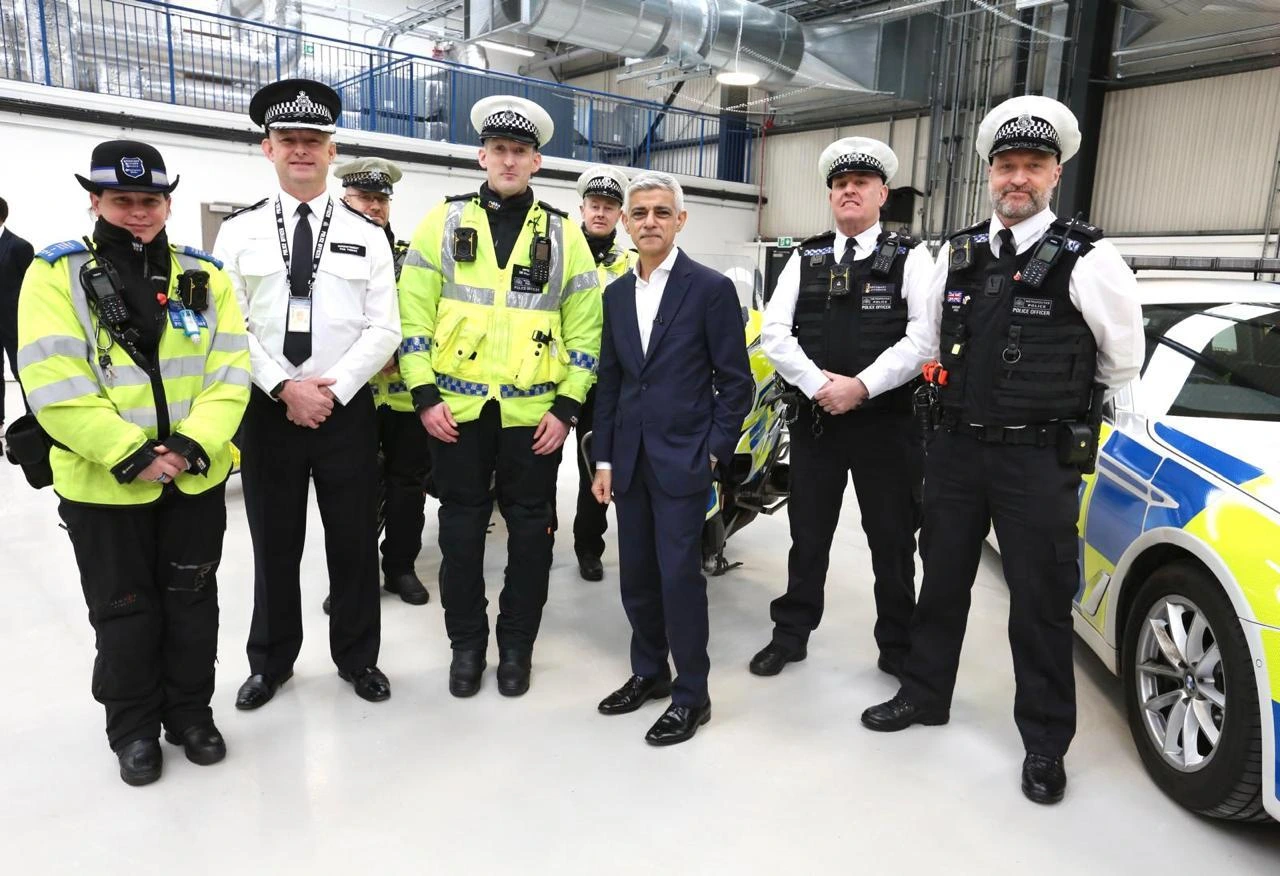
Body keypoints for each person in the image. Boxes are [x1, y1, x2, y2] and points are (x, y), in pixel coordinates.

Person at [860, 96, 1144, 805]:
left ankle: (1045, 743)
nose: (1019, 179)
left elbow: (1121, 364)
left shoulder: (1090, 258)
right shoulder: (951, 254)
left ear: (1055, 175)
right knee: (943, 581)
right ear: (990, 172)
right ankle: (925, 694)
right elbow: (924, 344)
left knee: (1041, 603)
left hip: (1037, 460)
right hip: (954, 451)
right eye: (1007, 166)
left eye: (1034, 167)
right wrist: (863, 385)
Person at [16, 140, 250, 785]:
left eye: (149, 200)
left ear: (167, 203)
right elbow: (53, 381)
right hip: (103, 483)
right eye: (122, 200)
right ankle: (134, 727)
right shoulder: (54, 274)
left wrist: (189, 446)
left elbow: (230, 373)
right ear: (95, 201)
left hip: (194, 475)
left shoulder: (206, 276)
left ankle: (190, 714)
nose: (137, 213)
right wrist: (133, 454)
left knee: (193, 601)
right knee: (124, 609)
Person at [398, 96, 602, 698]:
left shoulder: (565, 235)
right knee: (460, 538)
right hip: (454, 413)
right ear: (483, 156)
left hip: (534, 417)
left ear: (536, 162)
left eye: (521, 152)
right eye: (500, 151)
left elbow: (586, 331)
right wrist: (424, 394)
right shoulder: (442, 221)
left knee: (532, 538)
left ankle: (516, 647)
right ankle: (467, 647)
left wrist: (567, 408)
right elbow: (412, 315)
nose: (509, 161)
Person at [214, 79, 401, 710]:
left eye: (313, 141)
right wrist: (283, 387)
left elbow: (386, 327)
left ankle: (358, 659)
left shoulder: (367, 233)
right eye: (288, 140)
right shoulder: (238, 233)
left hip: (344, 412)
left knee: (352, 543)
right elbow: (227, 326)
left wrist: (333, 388)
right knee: (275, 544)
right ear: (268, 149)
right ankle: (270, 662)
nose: (301, 151)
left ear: (330, 150)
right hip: (269, 413)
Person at [749, 137, 933, 680]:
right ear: (831, 195)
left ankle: (898, 645)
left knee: (893, 541)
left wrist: (862, 387)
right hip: (817, 425)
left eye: (860, 183)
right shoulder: (804, 258)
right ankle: (792, 633)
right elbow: (775, 334)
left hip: (888, 427)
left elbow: (924, 339)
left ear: (883, 194)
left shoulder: (913, 257)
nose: (848, 191)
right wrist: (818, 386)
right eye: (839, 184)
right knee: (808, 535)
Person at [591, 171, 753, 746]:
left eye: (662, 212)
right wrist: (603, 461)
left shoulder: (708, 289)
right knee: (635, 576)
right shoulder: (614, 295)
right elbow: (609, 384)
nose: (650, 222)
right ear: (627, 223)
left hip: (684, 462)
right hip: (628, 463)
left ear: (680, 220)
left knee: (679, 578)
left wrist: (712, 453)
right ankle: (650, 672)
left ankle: (693, 694)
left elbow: (736, 386)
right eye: (640, 214)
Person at [320, 157, 431, 611]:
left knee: (408, 488)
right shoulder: (321, 253)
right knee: (352, 493)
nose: (374, 207)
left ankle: (400, 567)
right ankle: (353, 578)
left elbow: (430, 315)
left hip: (405, 397)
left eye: (381, 199)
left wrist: (398, 355)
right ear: (344, 198)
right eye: (365, 197)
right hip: (351, 396)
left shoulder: (409, 255)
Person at [570, 164, 636, 582]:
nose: (600, 212)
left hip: (604, 385)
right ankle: (540, 536)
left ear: (619, 215)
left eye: (609, 206)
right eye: (594, 205)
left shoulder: (631, 263)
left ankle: (588, 547)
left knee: (596, 469)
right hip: (553, 379)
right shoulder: (558, 253)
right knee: (536, 469)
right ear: (582, 208)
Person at [0, 196, 35, 432]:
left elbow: (31, 288)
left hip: (15, 323)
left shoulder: (20, 247)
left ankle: (33, 421)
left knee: (23, 372)